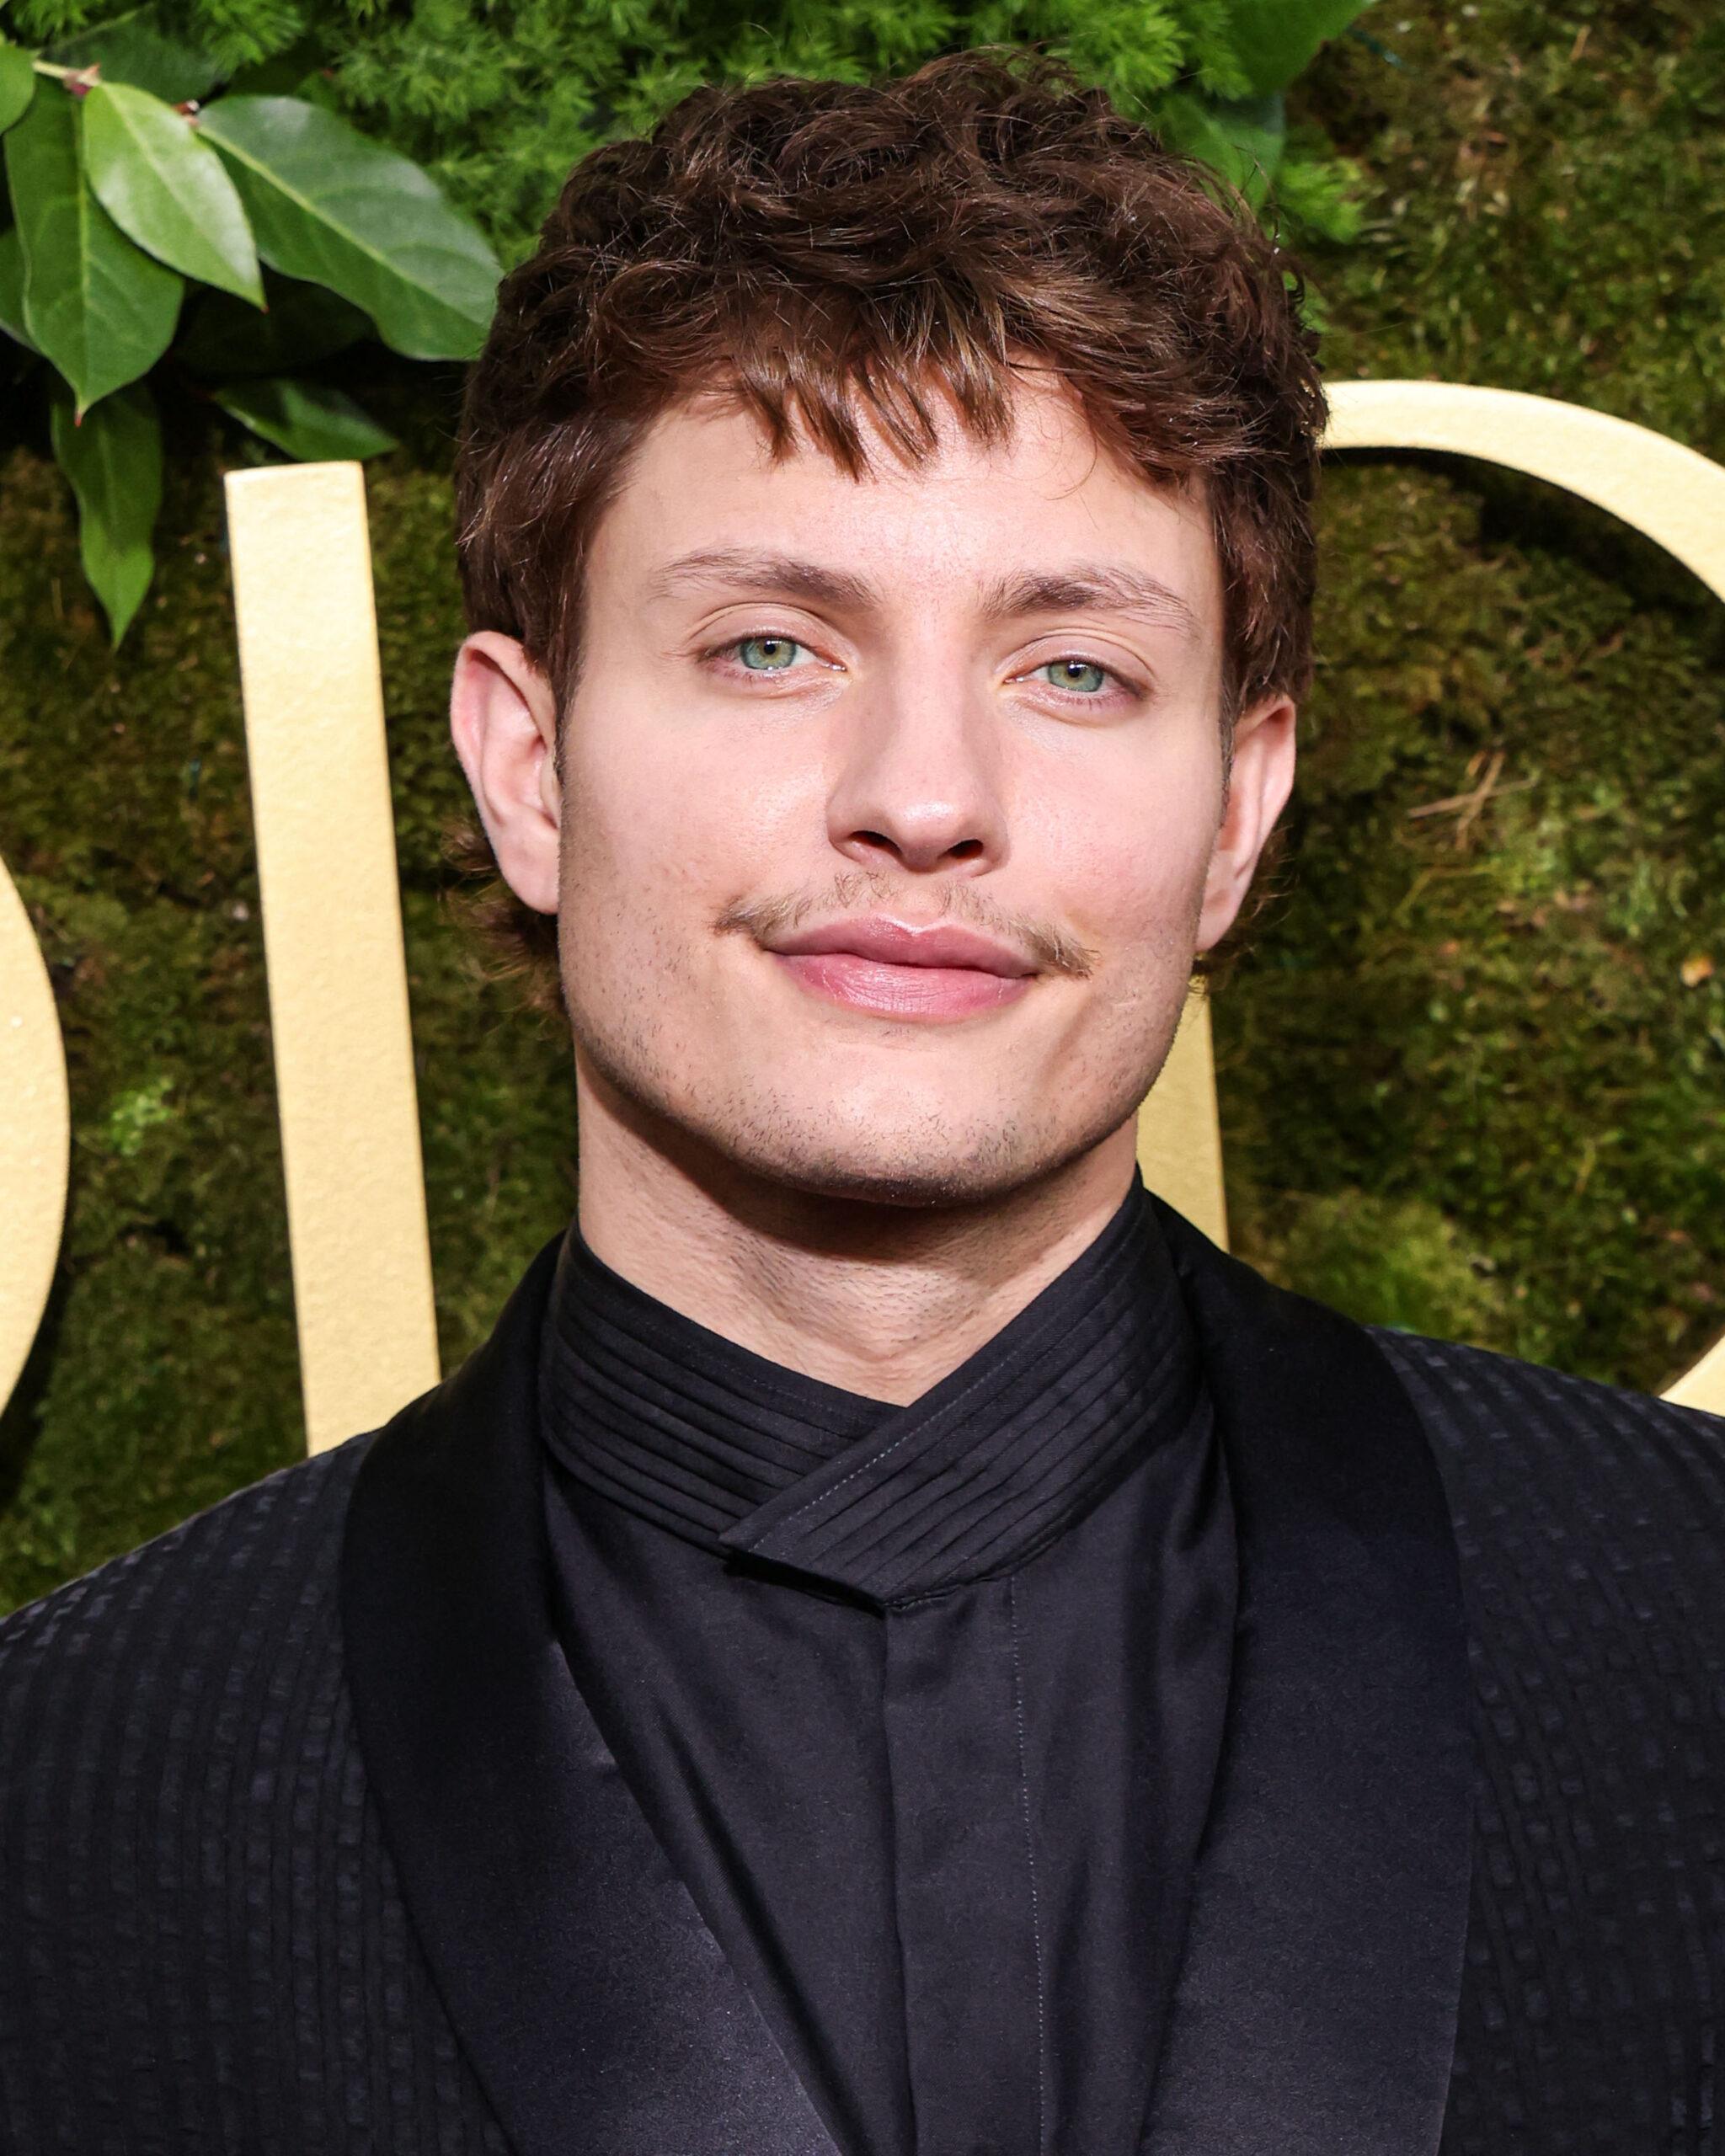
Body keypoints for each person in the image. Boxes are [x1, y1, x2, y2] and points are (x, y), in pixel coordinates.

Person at [1, 51, 1720, 2156]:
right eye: (769, 646)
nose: (923, 795)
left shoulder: (1687, 1624)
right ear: (526, 766)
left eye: (1073, 668)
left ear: (1236, 812)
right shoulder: (63, 1794)